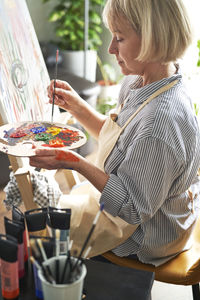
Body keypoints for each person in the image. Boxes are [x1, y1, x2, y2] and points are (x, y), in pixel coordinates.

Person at [30, 0, 200, 266]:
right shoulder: (142, 81)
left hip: (147, 236)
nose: (110, 48)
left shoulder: (160, 124)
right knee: (49, 213)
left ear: (152, 39)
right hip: (142, 204)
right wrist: (76, 106)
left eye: (119, 38)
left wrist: (72, 161)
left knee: (43, 228)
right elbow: (118, 137)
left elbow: (132, 209)